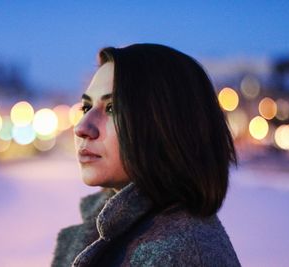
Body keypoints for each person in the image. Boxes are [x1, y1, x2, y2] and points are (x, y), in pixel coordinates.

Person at [52, 43, 241, 267]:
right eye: (86, 107)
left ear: (168, 125)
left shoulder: (180, 255)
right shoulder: (115, 228)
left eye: (113, 108)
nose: (82, 127)